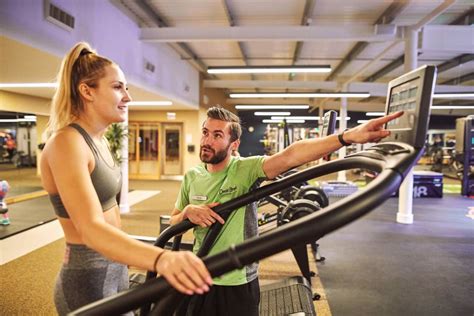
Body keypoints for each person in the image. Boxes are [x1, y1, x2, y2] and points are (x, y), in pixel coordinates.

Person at [171, 106, 404, 316]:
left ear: (234, 145)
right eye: (205, 132)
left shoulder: (244, 169)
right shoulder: (192, 176)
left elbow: (290, 156)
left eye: (217, 135)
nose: (206, 140)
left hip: (236, 280)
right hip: (198, 275)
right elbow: (174, 222)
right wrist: (187, 213)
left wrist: (347, 137)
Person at [39, 42, 212, 315]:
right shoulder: (66, 142)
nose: (128, 97)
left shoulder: (99, 140)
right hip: (88, 276)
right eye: (118, 87)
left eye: (126, 88)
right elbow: (90, 229)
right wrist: (161, 258)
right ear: (87, 91)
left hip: (115, 264)